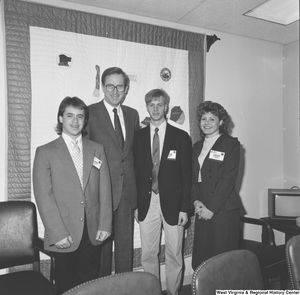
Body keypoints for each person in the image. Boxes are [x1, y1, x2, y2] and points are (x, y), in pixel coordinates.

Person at [33, 96, 112, 294]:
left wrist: (105, 224)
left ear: (85, 121)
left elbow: (105, 189)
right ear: (60, 118)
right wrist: (57, 233)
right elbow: (44, 197)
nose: (75, 121)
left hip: (93, 230)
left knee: (89, 284)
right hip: (64, 232)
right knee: (67, 285)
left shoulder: (97, 149)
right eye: (70, 116)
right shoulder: (45, 152)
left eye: (80, 116)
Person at [134, 89, 192, 295]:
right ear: (147, 107)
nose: (156, 109)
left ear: (166, 106)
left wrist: (185, 207)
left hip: (175, 205)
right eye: (152, 105)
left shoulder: (181, 137)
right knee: (148, 253)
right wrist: (135, 205)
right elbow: (135, 173)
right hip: (147, 202)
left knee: (174, 253)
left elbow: (188, 176)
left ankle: (174, 291)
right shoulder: (139, 137)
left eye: (160, 104)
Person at [87, 67, 140, 276]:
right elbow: (85, 154)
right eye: (110, 86)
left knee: (125, 248)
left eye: (120, 86)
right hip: (102, 192)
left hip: (127, 192)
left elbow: (134, 155)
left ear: (126, 88)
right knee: (102, 248)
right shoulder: (89, 113)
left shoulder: (132, 114)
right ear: (103, 86)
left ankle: (124, 287)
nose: (115, 91)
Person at [191, 100, 242, 270]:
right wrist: (196, 201)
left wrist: (210, 209)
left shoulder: (230, 144)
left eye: (212, 119)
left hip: (222, 209)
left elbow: (229, 179)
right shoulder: (197, 146)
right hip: (202, 206)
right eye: (203, 119)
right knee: (204, 258)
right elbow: (193, 177)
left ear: (221, 122)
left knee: (222, 260)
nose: (206, 123)